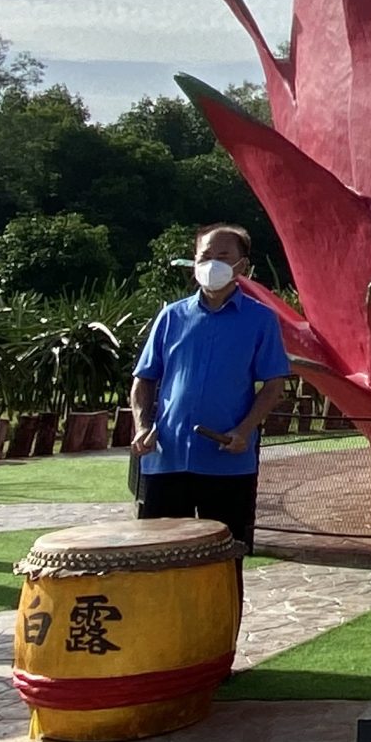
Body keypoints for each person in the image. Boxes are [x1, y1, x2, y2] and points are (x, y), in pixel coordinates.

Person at [128, 224, 290, 552]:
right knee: (161, 559)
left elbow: (273, 385)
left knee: (225, 561)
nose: (212, 263)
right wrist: (143, 426)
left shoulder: (261, 320)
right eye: (205, 256)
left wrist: (244, 430)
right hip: (166, 459)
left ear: (242, 266)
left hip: (228, 463)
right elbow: (143, 379)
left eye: (223, 256)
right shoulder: (171, 317)